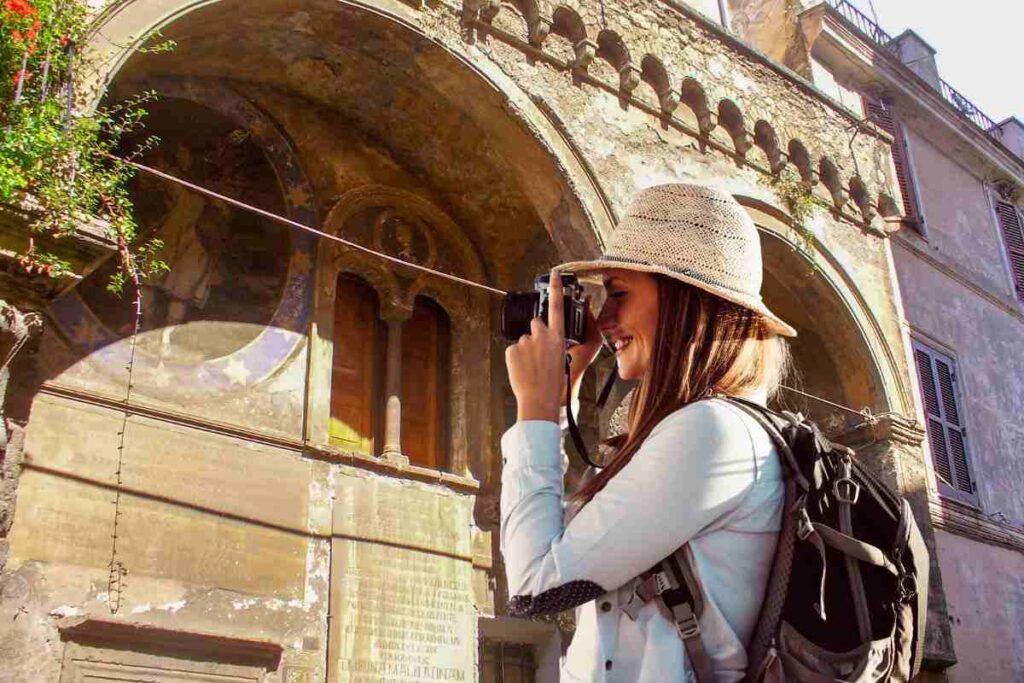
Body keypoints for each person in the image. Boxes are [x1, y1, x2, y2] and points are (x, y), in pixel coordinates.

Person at [501, 183, 797, 682]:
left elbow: (534, 585)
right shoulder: (705, 430)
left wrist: (534, 411)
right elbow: (569, 546)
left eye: (618, 294)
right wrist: (559, 400)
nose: (604, 318)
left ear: (686, 302)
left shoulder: (712, 431)